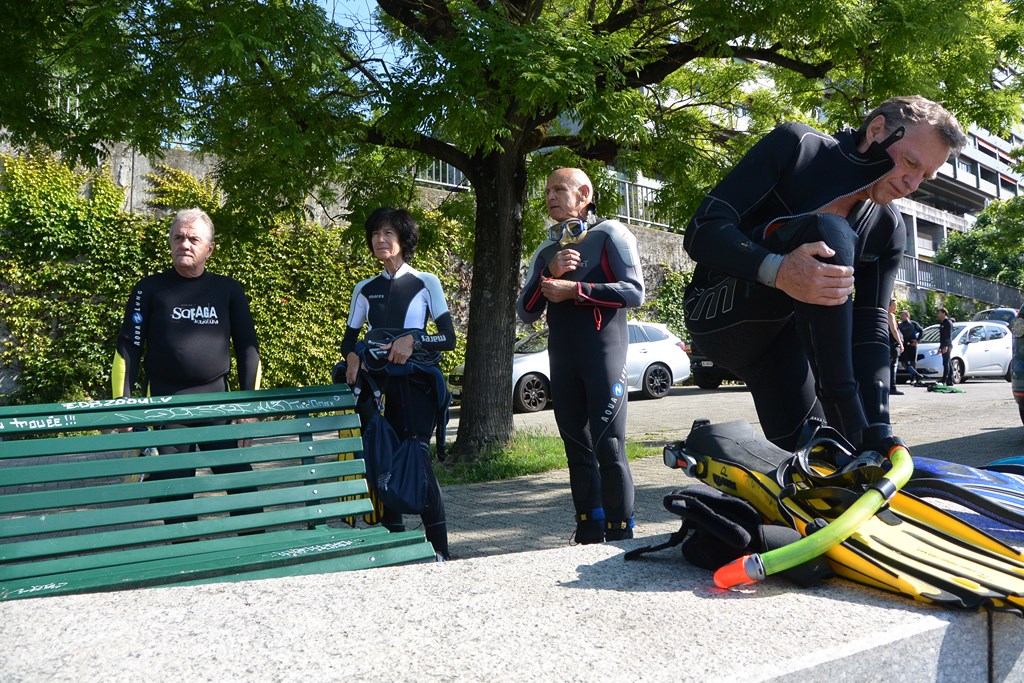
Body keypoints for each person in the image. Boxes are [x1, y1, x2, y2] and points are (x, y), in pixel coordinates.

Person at [683, 96, 966, 452]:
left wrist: (879, 425)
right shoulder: (800, 147)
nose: (912, 184)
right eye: (910, 162)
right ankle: (844, 408)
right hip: (719, 315)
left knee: (824, 465)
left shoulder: (887, 228)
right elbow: (702, 230)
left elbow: (871, 328)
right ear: (877, 129)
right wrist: (778, 270)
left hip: (787, 347)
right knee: (830, 232)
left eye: (924, 176)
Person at [517, 168, 645, 544]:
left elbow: (634, 292)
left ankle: (622, 531)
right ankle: (589, 528)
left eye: (560, 189)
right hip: (563, 359)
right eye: (547, 191)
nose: (551, 196)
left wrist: (576, 289)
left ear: (584, 193)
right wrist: (547, 275)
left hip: (604, 356)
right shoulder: (545, 250)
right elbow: (525, 311)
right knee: (576, 448)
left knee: (608, 446)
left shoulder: (611, 234)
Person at [112, 208, 262, 521]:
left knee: (242, 484)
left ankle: (253, 547)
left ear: (210, 248)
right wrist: (122, 406)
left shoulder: (228, 290)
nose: (185, 244)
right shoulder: (149, 289)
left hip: (216, 401)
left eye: (194, 238)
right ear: (169, 243)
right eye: (178, 237)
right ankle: (185, 558)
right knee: (174, 491)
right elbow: (128, 347)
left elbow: (248, 349)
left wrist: (249, 410)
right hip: (167, 403)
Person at [340, 207, 456, 560]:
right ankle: (396, 549)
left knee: (417, 462)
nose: (380, 240)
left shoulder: (426, 282)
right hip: (379, 389)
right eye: (375, 234)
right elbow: (349, 339)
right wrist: (353, 356)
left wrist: (414, 341)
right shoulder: (365, 288)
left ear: (404, 240)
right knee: (383, 462)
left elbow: (448, 338)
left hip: (416, 387)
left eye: (388, 233)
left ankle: (441, 553)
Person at [898, 309, 926, 385]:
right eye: (901, 315)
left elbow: (921, 331)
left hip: (912, 344)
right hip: (904, 345)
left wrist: (917, 340)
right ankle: (916, 375)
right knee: (904, 363)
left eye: (903, 315)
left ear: (907, 316)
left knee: (912, 361)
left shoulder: (913, 323)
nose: (901, 317)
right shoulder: (900, 325)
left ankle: (913, 378)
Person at [887, 298, 904, 396]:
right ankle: (892, 387)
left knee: (889, 366)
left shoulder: (883, 314)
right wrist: (900, 344)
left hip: (887, 343)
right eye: (894, 305)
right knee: (893, 366)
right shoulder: (890, 316)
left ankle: (889, 386)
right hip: (893, 344)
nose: (895, 307)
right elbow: (894, 331)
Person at [938, 307, 954, 385]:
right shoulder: (942, 323)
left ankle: (944, 379)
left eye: (939, 313)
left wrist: (946, 346)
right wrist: (940, 347)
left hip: (947, 345)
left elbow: (948, 335)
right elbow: (942, 337)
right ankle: (950, 380)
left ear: (944, 313)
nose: (938, 315)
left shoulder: (948, 322)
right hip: (943, 345)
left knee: (945, 363)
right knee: (948, 362)